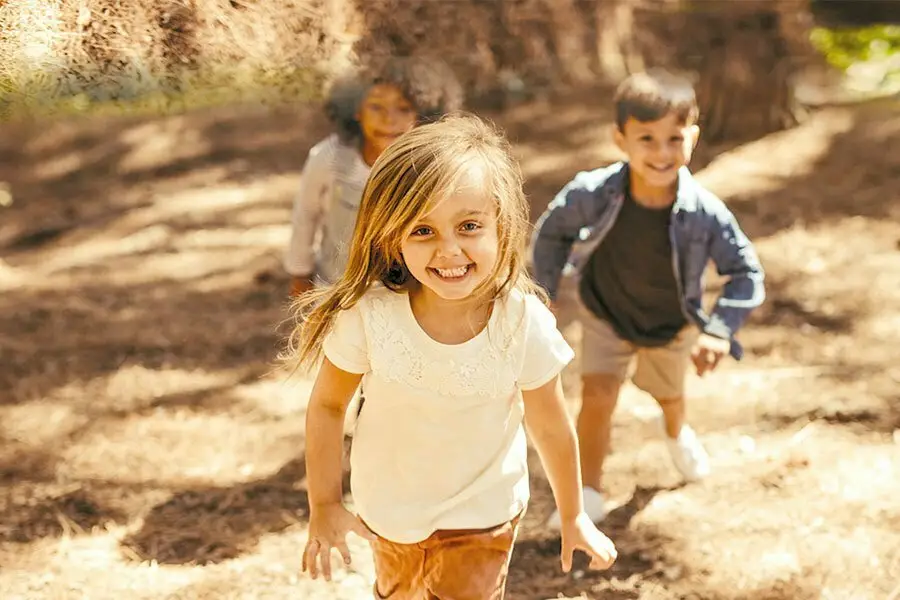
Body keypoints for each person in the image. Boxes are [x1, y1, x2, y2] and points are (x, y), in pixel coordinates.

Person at [289, 114, 617, 598]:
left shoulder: (520, 322)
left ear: (501, 227)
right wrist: (324, 503)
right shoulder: (371, 316)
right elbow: (329, 406)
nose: (449, 250)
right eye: (422, 231)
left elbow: (549, 425)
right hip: (390, 512)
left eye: (468, 226)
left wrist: (573, 516)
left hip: (483, 514)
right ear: (391, 237)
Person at [531, 70, 765, 528]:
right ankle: (587, 495)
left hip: (670, 323)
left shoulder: (706, 213)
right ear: (620, 139)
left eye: (674, 139)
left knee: (669, 396)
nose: (661, 153)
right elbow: (552, 231)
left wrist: (718, 331)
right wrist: (547, 287)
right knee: (597, 395)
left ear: (692, 138)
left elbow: (745, 272)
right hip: (606, 312)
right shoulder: (594, 194)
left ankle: (677, 432)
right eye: (646, 138)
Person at [284, 56, 464, 297]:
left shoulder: (429, 164)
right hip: (338, 291)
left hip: (407, 296)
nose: (389, 120)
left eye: (404, 108)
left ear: (421, 112)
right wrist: (300, 274)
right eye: (376, 106)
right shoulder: (328, 159)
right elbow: (304, 217)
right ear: (355, 109)